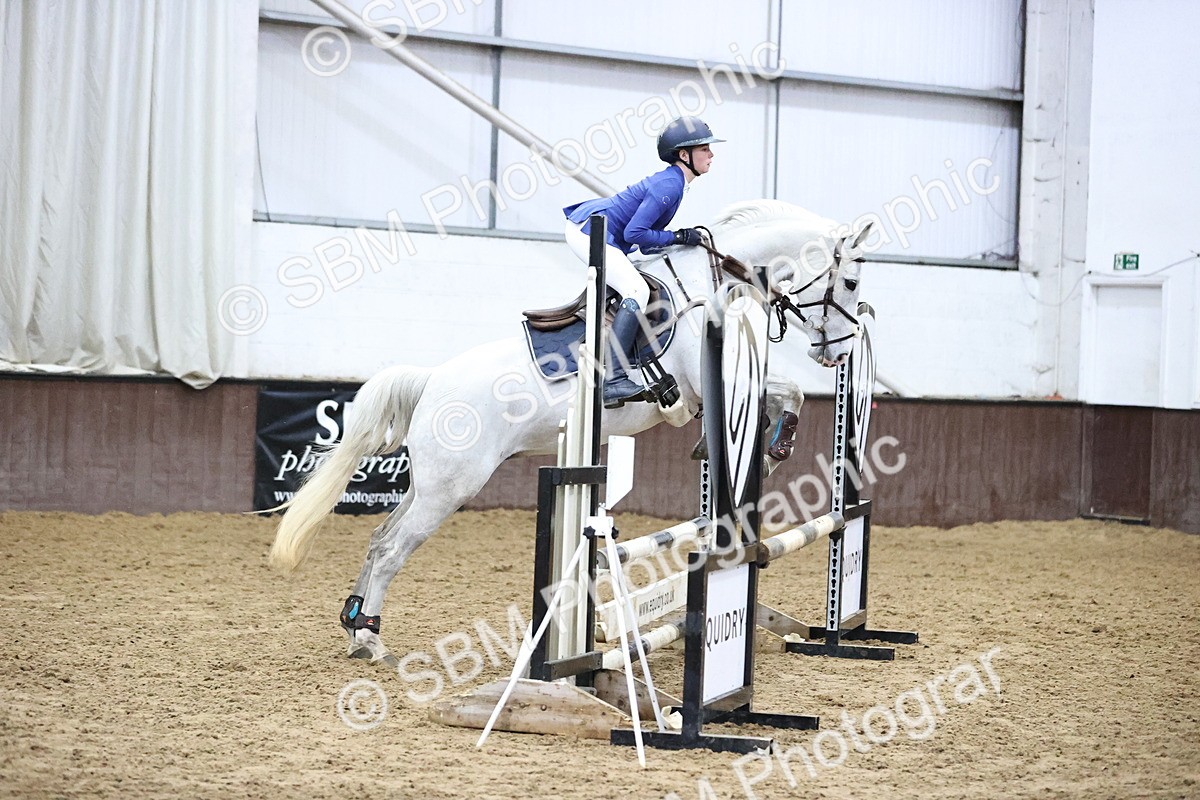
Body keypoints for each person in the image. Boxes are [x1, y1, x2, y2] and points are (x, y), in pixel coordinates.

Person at [562, 116, 724, 408]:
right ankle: (611, 379)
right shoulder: (669, 187)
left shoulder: (675, 184)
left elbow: (645, 243)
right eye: (704, 149)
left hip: (603, 230)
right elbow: (635, 233)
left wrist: (677, 240)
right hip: (590, 230)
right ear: (684, 155)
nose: (711, 154)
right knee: (637, 290)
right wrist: (677, 236)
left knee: (638, 281)